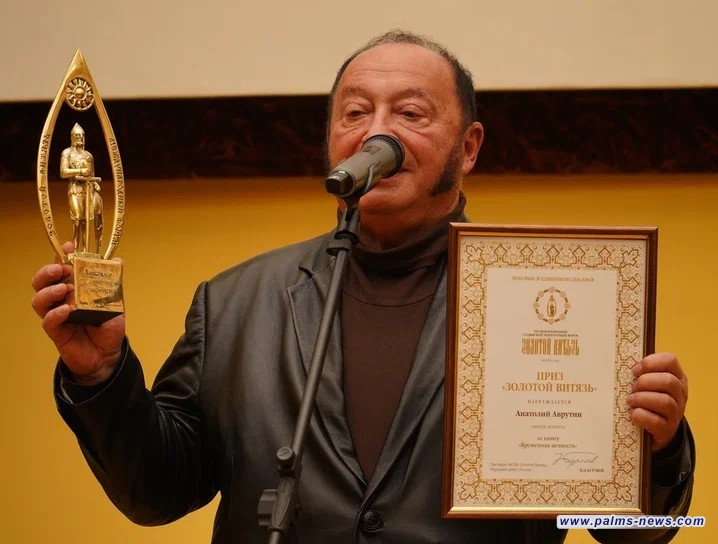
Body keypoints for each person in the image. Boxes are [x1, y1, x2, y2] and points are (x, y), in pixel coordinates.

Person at [32, 30, 693, 543]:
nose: (376, 131)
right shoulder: (234, 304)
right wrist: (102, 376)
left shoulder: (558, 297)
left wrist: (658, 452)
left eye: (410, 112)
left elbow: (631, 534)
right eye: (355, 111)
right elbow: (156, 494)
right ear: (332, 141)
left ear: (468, 148)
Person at [59, 123, 104, 254]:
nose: (80, 138)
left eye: (82, 135)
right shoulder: (67, 153)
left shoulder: (88, 155)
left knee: (86, 221)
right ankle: (74, 250)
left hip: (87, 189)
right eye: (77, 135)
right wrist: (80, 171)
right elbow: (63, 172)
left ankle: (85, 251)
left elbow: (91, 173)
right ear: (72, 137)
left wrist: (95, 184)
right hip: (75, 189)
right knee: (77, 218)